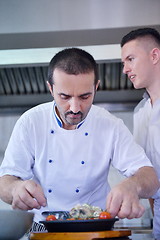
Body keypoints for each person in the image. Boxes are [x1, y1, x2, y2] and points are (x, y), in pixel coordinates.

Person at [0, 48, 159, 233]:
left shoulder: (110, 125)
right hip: (42, 228)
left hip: (96, 227)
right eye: (64, 97)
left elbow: (150, 176)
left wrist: (133, 185)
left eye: (85, 96)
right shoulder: (30, 122)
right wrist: (15, 189)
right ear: (51, 88)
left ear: (96, 87)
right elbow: (5, 182)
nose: (75, 108)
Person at [121, 27, 160, 240]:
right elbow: (149, 175)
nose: (125, 69)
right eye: (123, 63)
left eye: (130, 59)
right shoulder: (140, 112)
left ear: (154, 55)